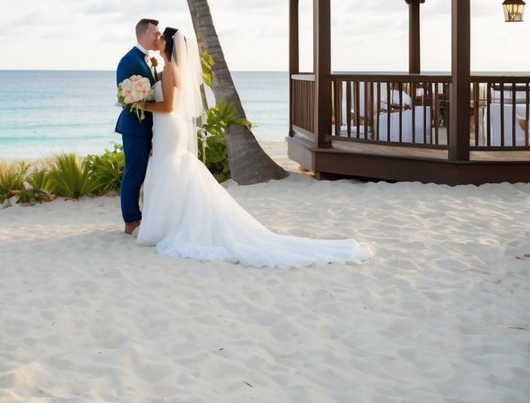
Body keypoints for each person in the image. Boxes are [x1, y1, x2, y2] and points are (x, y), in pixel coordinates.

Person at [133, 28, 372, 267]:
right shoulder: (171, 69)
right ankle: (172, 221)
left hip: (169, 126)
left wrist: (142, 103)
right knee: (173, 169)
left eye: (162, 36)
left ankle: (168, 224)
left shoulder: (169, 70)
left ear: (171, 45)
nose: (158, 38)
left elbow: (168, 107)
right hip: (171, 128)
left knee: (169, 168)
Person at [115, 18, 163, 235]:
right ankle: (131, 221)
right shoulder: (129, 61)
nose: (158, 37)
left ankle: (138, 216)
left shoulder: (145, 59)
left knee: (141, 173)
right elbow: (125, 96)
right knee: (134, 174)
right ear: (144, 34)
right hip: (135, 126)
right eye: (155, 33)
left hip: (146, 126)